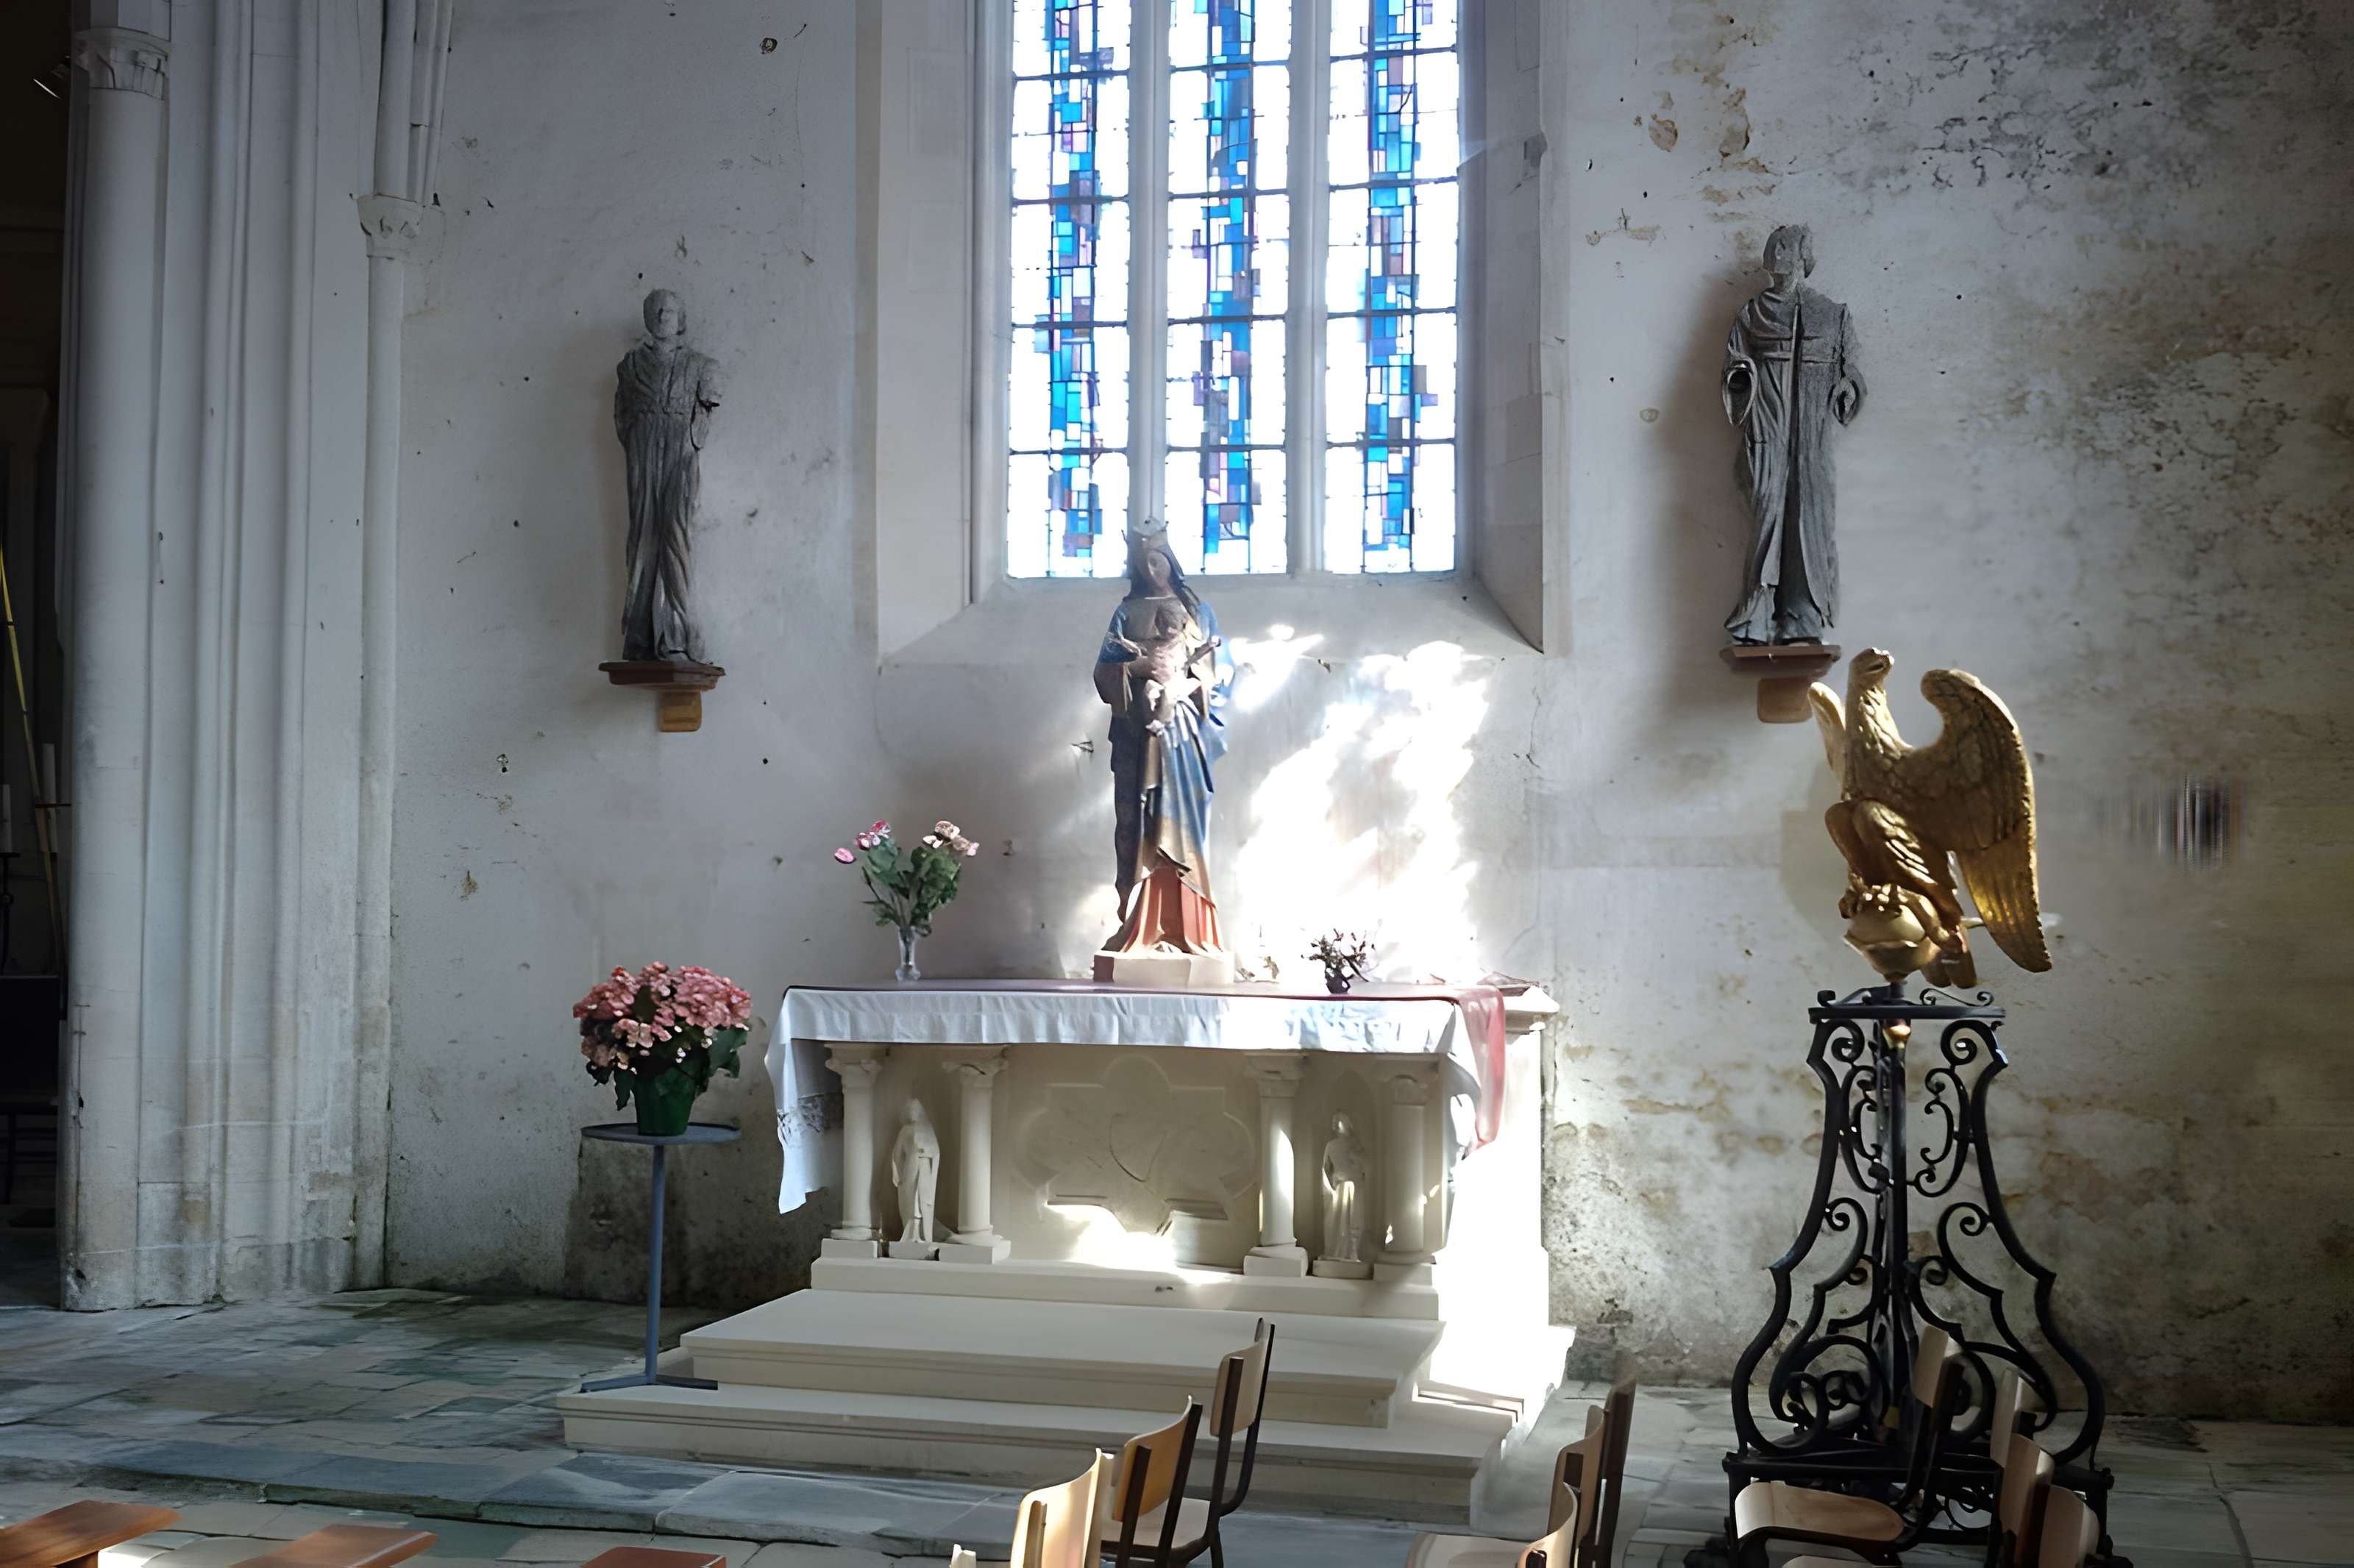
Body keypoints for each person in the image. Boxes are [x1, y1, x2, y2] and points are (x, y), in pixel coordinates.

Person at [1721, 224, 1865, 645]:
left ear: (1805, 259)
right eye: (1775, 251)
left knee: (1812, 515)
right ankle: (1759, 616)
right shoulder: (1752, 313)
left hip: (1814, 429)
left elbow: (1851, 368)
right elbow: (1735, 362)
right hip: (1768, 424)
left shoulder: (1833, 314)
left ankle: (1802, 619)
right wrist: (1743, 378)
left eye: (1789, 251)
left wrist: (1846, 386)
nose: (1781, 260)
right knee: (1768, 510)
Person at [1093, 527, 1230, 958]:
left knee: (1182, 818)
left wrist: (1184, 684)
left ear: (1171, 561)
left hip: (1183, 732)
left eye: (1158, 560)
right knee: (1138, 819)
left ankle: (1187, 923)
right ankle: (1141, 925)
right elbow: (1103, 670)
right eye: (1144, 563)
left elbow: (1219, 669)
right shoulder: (1126, 612)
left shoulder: (1196, 609)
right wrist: (1138, 669)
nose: (1152, 569)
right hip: (1136, 731)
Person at [614, 288, 723, 663]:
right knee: (643, 537)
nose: (663, 315)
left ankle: (678, 635)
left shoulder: (701, 367)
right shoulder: (629, 368)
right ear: (646, 318)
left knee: (676, 536)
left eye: (671, 310)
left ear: (681, 319)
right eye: (656, 310)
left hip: (679, 454)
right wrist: (641, 438)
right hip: (643, 455)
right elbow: (622, 418)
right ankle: (640, 636)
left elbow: (706, 412)